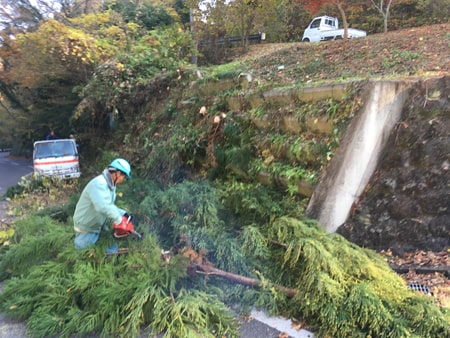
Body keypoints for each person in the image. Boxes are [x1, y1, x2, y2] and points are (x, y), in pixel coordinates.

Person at [73, 158, 131, 253]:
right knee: (84, 257)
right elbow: (103, 206)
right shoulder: (99, 184)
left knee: (111, 247)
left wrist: (124, 214)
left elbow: (109, 205)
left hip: (98, 225)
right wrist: (120, 221)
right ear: (117, 173)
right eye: (123, 177)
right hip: (87, 227)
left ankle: (110, 263)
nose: (122, 180)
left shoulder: (111, 186)